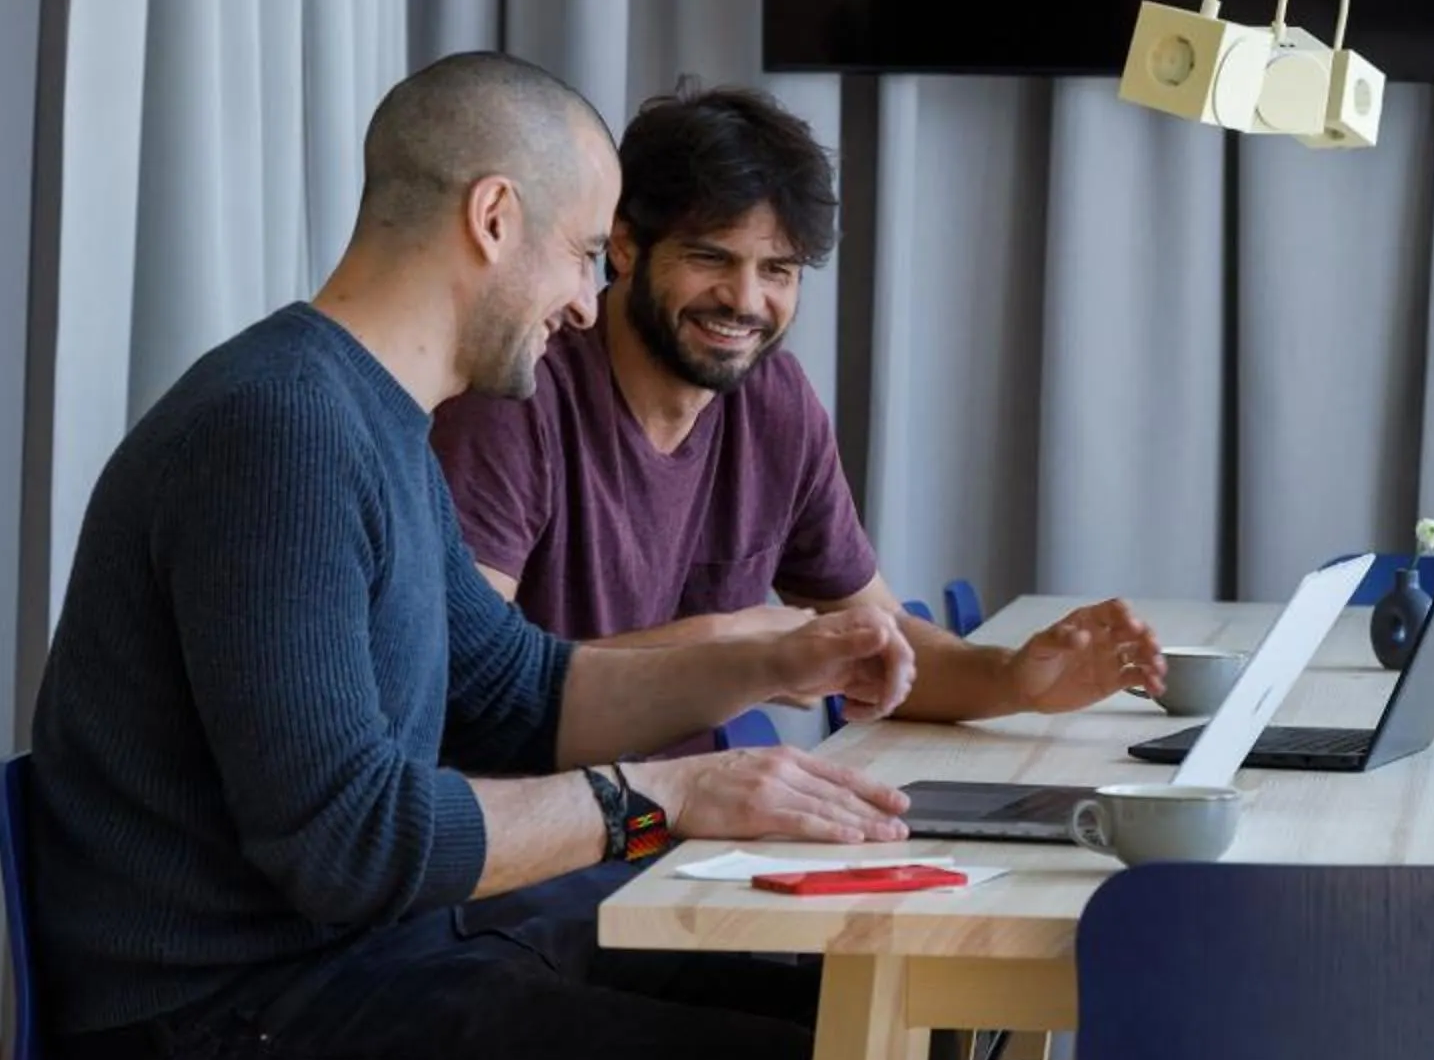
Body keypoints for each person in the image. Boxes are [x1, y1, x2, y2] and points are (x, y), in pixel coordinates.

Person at [27, 53, 928, 1060]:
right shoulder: (278, 432)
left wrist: (776, 662)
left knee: (862, 1043)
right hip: (215, 1038)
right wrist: (665, 797)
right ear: (494, 217)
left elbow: (523, 691)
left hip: (360, 973)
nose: (587, 302)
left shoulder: (373, 420)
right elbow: (347, 840)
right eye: (584, 254)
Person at [429, 80, 1165, 744]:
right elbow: (470, 685)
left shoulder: (772, 399)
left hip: (684, 813)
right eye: (711, 258)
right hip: (577, 826)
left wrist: (1015, 681)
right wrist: (732, 645)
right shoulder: (516, 394)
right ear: (624, 245)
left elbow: (879, 640)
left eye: (777, 270)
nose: (746, 301)